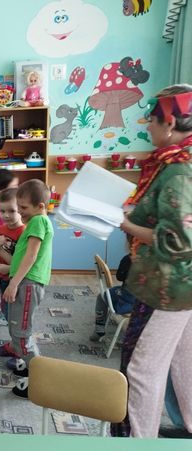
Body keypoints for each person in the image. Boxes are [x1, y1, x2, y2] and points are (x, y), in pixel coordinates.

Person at [112, 84, 192, 438]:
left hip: (169, 287)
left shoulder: (179, 170)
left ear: (170, 123)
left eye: (152, 120)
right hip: (181, 286)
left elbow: (178, 239)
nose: (147, 126)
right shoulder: (177, 162)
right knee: (183, 358)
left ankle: (138, 441)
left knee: (141, 369)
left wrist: (127, 225)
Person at [0, 179, 53, 398]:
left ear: (40, 206)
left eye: (23, 207)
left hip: (27, 284)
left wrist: (13, 283)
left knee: (21, 334)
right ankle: (29, 365)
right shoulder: (36, 221)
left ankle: (41, 377)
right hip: (25, 282)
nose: (20, 211)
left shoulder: (38, 221)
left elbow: (31, 256)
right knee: (17, 327)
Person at [0, 187, 25, 326]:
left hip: (16, 277)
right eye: (2, 211)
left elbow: (24, 261)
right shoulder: (0, 230)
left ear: (21, 210)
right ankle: (5, 313)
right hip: (3, 274)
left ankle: (10, 318)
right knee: (4, 296)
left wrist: (10, 268)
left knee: (15, 299)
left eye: (12, 211)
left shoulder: (24, 232)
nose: (6, 215)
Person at [89, 252, 136, 342]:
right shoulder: (155, 261)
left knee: (101, 297)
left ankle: (99, 330)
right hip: (146, 304)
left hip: (127, 303)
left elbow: (119, 277)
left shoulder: (128, 258)